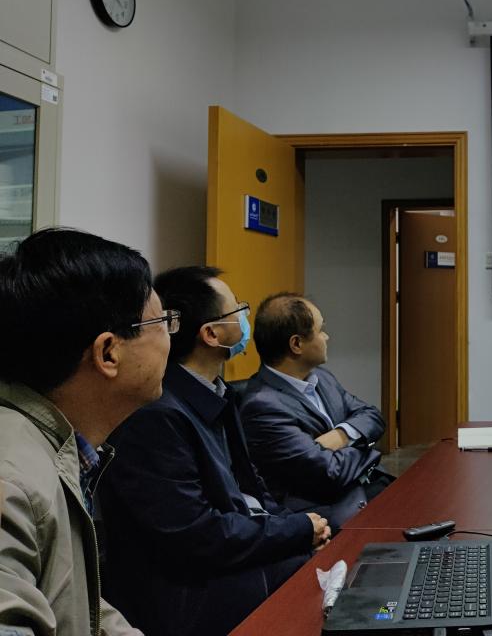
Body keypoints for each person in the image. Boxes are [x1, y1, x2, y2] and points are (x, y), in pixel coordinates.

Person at [99, 267, 330, 636]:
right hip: (191, 596)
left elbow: (252, 487)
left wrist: (299, 527)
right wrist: (295, 531)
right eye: (237, 309)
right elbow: (196, 534)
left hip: (235, 556)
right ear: (211, 334)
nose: (245, 315)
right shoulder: (157, 415)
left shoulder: (216, 392)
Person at [0, 228, 170, 635]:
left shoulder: (57, 446)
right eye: (163, 321)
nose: (170, 337)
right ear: (108, 352)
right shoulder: (13, 483)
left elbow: (75, 606)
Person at [240, 293, 389, 528]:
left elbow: (372, 415)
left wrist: (341, 436)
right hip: (330, 514)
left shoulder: (321, 378)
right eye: (321, 330)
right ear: (296, 344)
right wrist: (367, 450)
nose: (326, 337)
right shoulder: (262, 406)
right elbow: (329, 472)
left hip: (367, 487)